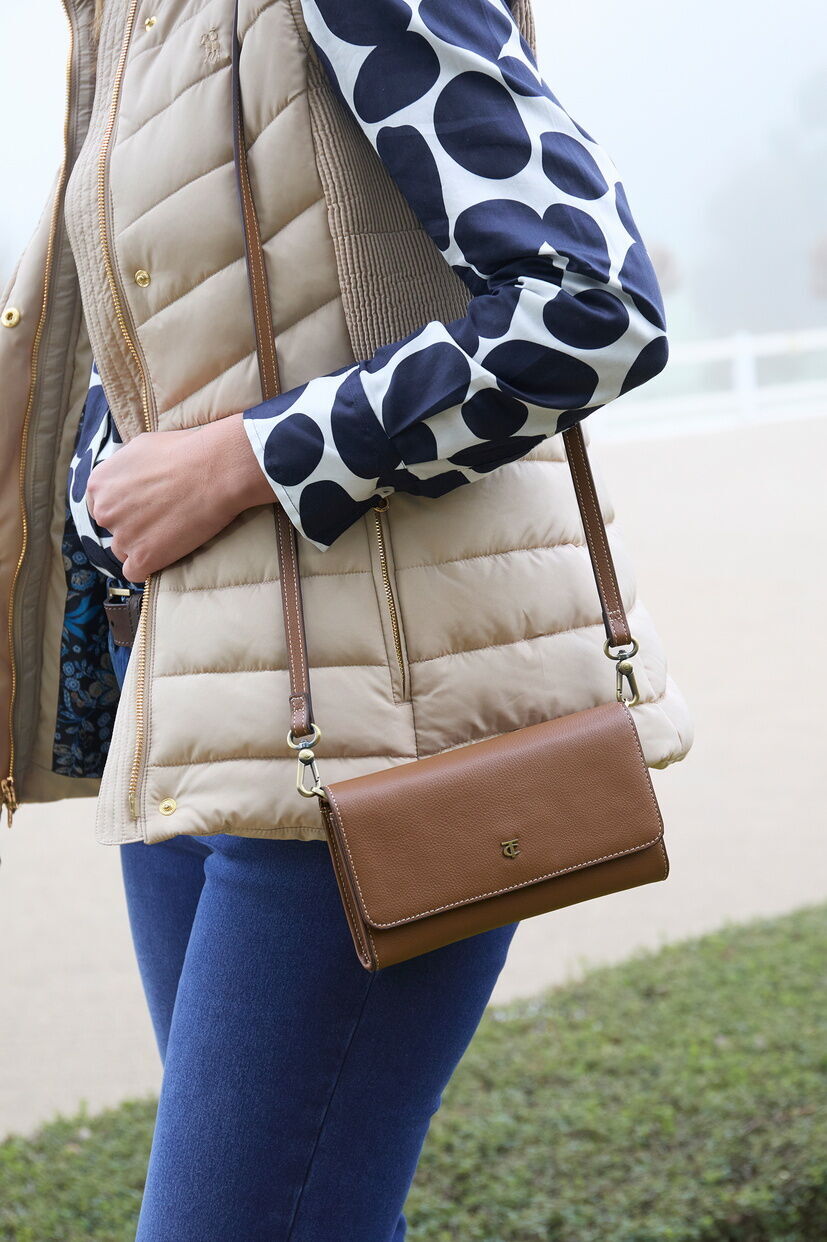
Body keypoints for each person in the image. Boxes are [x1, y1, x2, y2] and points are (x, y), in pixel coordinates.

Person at [0, 0, 693, 1237]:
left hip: (370, 743)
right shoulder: (125, 25)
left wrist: (241, 460)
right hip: (193, 709)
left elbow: (587, 306)